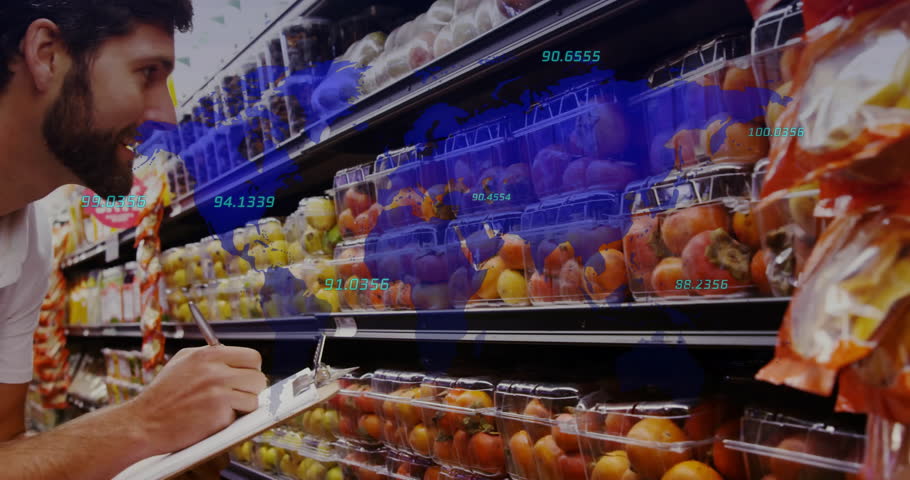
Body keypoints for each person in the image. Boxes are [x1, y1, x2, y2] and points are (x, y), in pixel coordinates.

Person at [0, 1, 268, 478]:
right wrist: (142, 425)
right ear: (46, 55)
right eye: (147, 72)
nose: (166, 114)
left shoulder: (28, 241)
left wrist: (144, 462)